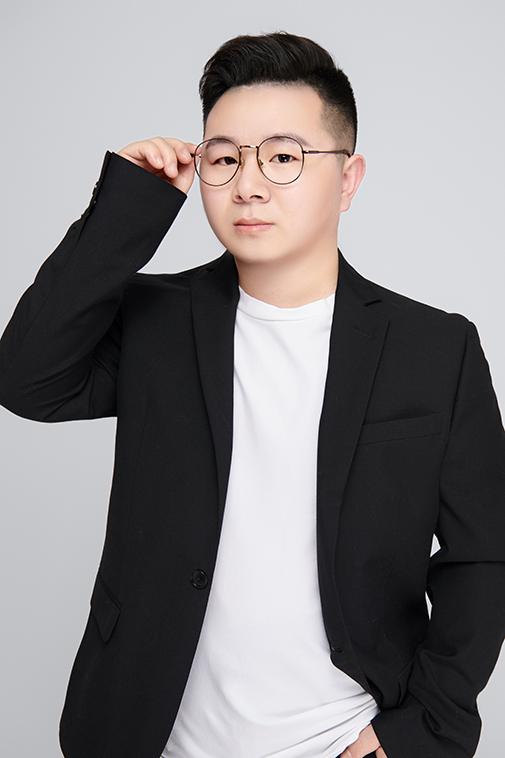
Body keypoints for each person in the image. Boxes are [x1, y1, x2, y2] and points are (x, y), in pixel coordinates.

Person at [0, 31, 504, 758]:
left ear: (348, 178)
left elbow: (484, 555)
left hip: (342, 737)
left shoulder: (435, 349)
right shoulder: (155, 323)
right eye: (225, 157)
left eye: (283, 157)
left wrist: (421, 729)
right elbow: (26, 378)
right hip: (152, 737)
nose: (249, 184)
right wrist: (127, 207)